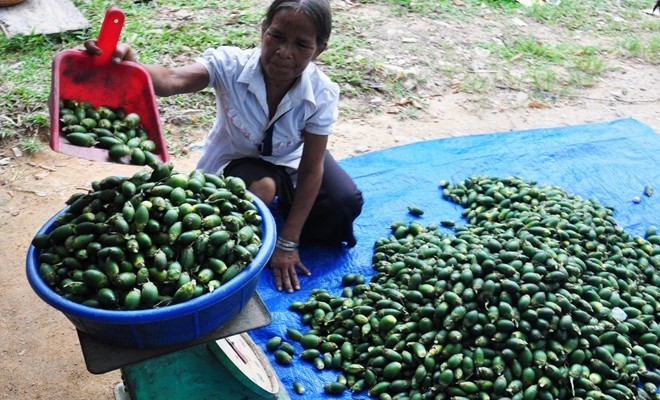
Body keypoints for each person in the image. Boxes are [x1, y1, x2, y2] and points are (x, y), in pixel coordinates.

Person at [84, 0, 364, 293]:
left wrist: (288, 242)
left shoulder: (322, 92)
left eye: (301, 44)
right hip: (236, 158)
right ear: (263, 29)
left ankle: (284, 222)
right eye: (277, 36)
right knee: (261, 189)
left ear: (320, 49)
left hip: (290, 158)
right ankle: (251, 228)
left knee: (344, 202)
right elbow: (171, 79)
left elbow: (310, 170)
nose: (284, 52)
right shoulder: (231, 65)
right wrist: (131, 66)